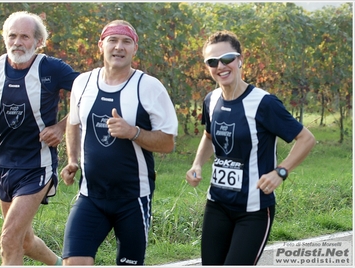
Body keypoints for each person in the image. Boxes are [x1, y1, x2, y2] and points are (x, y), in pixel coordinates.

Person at [185, 30, 316, 265]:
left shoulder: (263, 103)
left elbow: (306, 139)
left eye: (227, 59)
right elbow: (208, 136)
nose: (221, 66)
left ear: (240, 60)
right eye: (212, 62)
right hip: (217, 204)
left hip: (253, 210)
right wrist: (197, 164)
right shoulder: (211, 100)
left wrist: (281, 171)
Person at [0, 11, 80, 265]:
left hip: (37, 165)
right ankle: (62, 264)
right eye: (12, 36)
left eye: (24, 37)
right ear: (5, 39)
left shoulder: (52, 68)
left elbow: (87, 94)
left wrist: (61, 127)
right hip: (3, 164)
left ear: (38, 42)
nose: (17, 42)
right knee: (24, 240)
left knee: (9, 239)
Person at [60, 19, 178, 265]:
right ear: (101, 45)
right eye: (112, 40)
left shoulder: (148, 87)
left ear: (135, 49)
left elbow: (167, 143)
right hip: (90, 196)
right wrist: (72, 160)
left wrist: (133, 132)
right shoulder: (82, 83)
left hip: (133, 199)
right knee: (74, 262)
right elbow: (73, 123)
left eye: (126, 42)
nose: (119, 47)